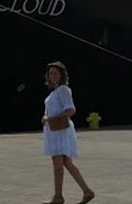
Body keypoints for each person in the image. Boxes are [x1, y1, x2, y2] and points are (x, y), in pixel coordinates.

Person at [41, 61, 95, 204]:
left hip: (60, 131)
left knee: (58, 164)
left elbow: (71, 110)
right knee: (66, 162)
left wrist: (49, 119)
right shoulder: (56, 91)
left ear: (61, 75)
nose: (52, 76)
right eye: (50, 73)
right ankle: (86, 191)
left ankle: (58, 197)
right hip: (55, 130)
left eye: (56, 73)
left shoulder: (63, 90)